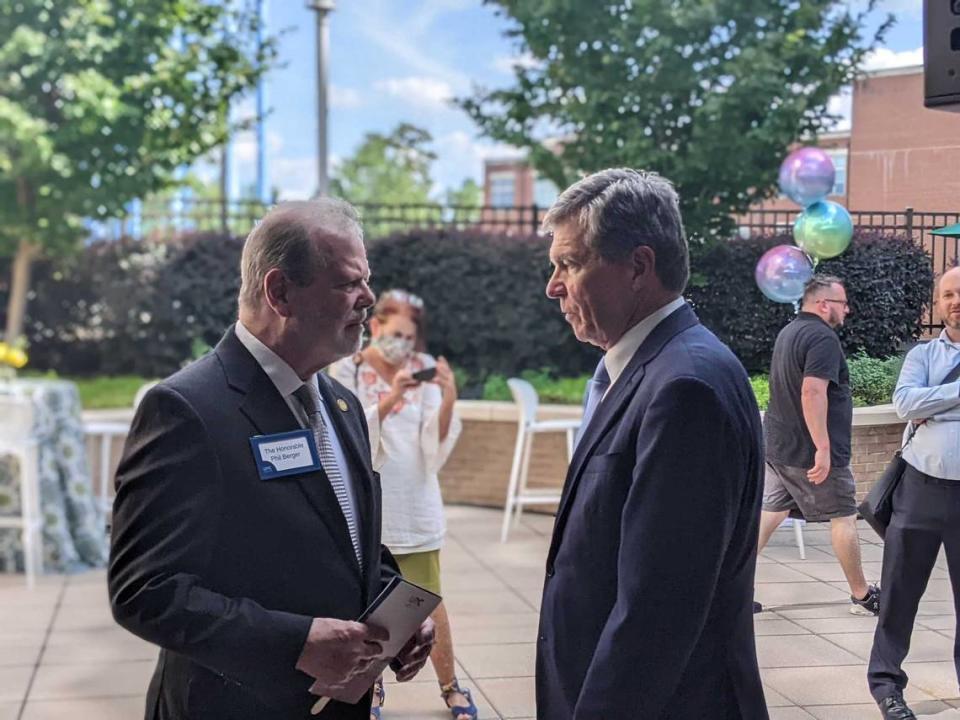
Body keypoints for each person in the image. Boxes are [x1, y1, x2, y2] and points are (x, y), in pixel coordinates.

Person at [108, 199, 434, 720]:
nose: (368, 299)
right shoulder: (187, 410)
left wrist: (396, 606)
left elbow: (342, 539)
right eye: (348, 283)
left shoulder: (341, 403)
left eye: (366, 281)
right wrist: (295, 642)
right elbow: (145, 591)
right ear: (279, 292)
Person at [536, 168, 768, 719]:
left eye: (568, 263)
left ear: (639, 266)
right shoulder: (654, 366)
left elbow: (657, 611)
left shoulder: (684, 387)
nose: (552, 286)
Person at [330, 290, 476, 720]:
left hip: (416, 504)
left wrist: (448, 397)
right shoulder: (345, 370)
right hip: (370, 509)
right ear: (375, 327)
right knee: (369, 609)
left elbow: (435, 443)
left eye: (409, 338)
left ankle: (450, 685)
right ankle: (369, 692)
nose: (402, 345)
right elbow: (348, 433)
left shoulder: (421, 372)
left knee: (428, 601)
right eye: (395, 334)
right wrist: (391, 398)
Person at [756, 275, 880, 616]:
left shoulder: (789, 332)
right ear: (824, 304)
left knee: (769, 513)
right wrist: (822, 448)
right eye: (842, 303)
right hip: (810, 454)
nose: (847, 310)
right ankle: (863, 595)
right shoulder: (821, 338)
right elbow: (812, 391)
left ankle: (730, 590)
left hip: (780, 448)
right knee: (843, 518)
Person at [868, 265, 960, 720]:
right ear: (938, 304)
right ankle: (887, 687)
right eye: (948, 294)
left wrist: (937, 404)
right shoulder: (922, 356)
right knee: (900, 594)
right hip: (920, 489)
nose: (956, 301)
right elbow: (905, 403)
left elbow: (922, 404)